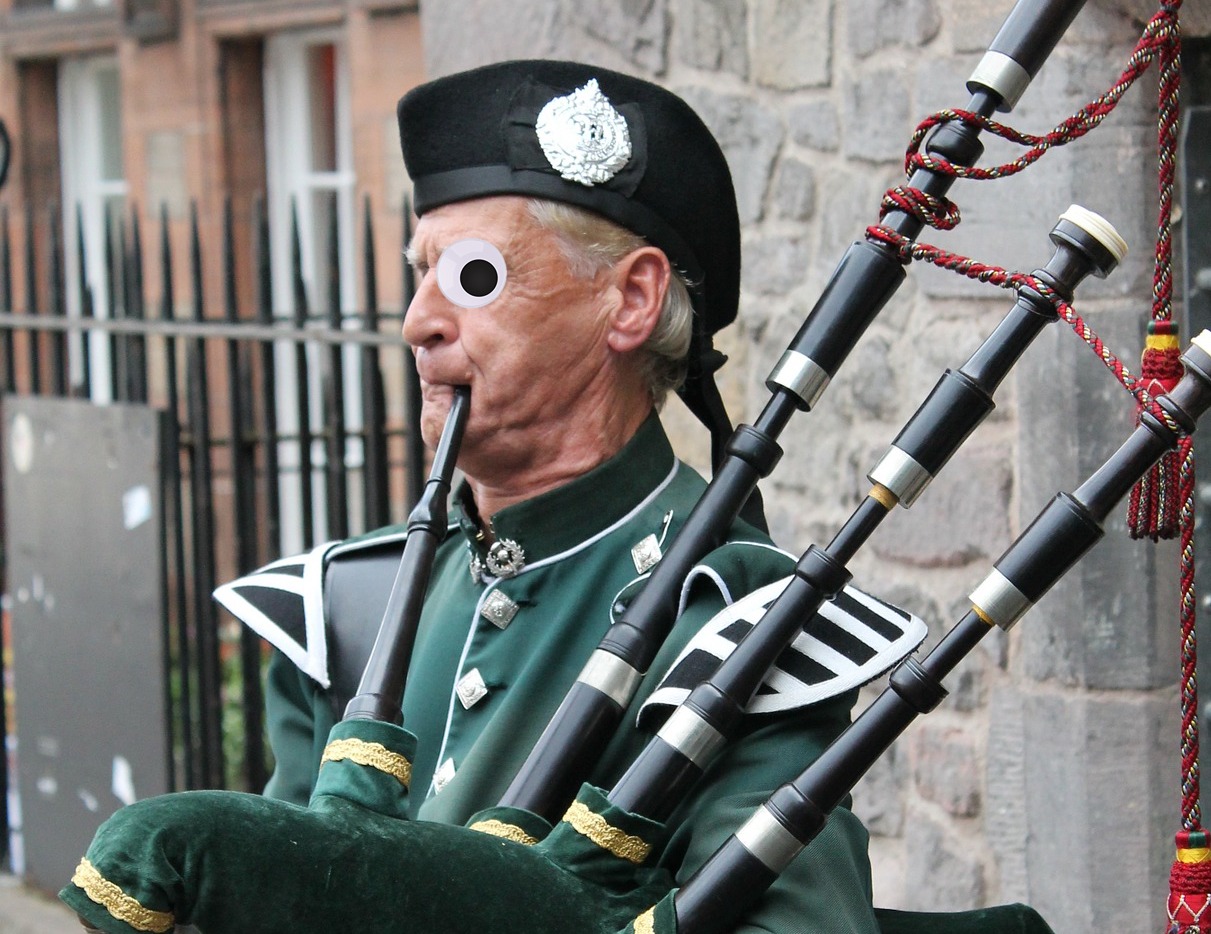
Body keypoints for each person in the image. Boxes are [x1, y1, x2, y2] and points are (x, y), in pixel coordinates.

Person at [216, 60, 883, 933]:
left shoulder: (734, 617)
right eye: (417, 275)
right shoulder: (344, 606)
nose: (418, 320)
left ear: (631, 299)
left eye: (472, 278)